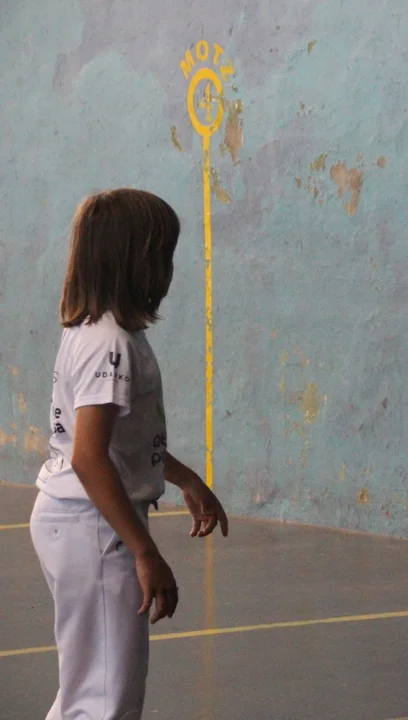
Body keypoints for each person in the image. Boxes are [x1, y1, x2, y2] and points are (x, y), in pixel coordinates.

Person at [30, 188, 229, 720]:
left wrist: (184, 478)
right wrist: (144, 551)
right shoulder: (110, 343)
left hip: (80, 520)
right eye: (163, 254)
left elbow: (123, 441)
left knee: (88, 692)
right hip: (93, 525)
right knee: (104, 702)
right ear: (136, 261)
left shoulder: (98, 331)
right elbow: (90, 457)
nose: (168, 270)